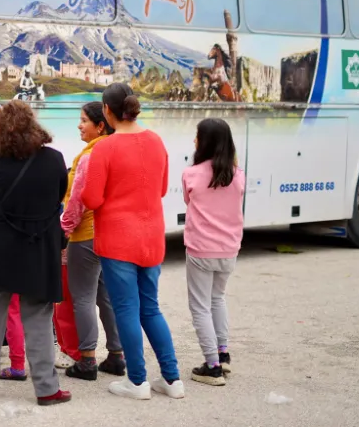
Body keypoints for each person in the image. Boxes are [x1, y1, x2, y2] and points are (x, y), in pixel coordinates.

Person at [83, 82, 184, 401]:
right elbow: (163, 188)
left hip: (117, 239)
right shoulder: (156, 141)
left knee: (126, 308)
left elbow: (91, 198)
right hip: (151, 236)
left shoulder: (104, 148)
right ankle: (172, 378)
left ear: (108, 111)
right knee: (150, 308)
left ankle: (137, 381)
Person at [0, 101, 71, 406]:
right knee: (39, 318)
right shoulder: (54, 160)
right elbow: (57, 197)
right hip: (38, 244)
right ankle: (46, 388)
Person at [60, 102, 125, 380]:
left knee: (83, 298)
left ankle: (87, 360)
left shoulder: (89, 157)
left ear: (100, 126)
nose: (79, 125)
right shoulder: (118, 151)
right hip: (110, 234)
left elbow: (77, 201)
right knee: (106, 297)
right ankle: (116, 355)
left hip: (86, 235)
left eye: (84, 120)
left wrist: (64, 230)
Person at [183, 118, 245, 386]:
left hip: (200, 249)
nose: (194, 141)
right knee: (217, 299)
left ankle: (212, 366)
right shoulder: (238, 175)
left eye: (197, 136)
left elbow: (189, 200)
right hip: (229, 249)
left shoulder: (191, 174)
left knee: (200, 307)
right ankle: (223, 353)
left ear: (204, 142)